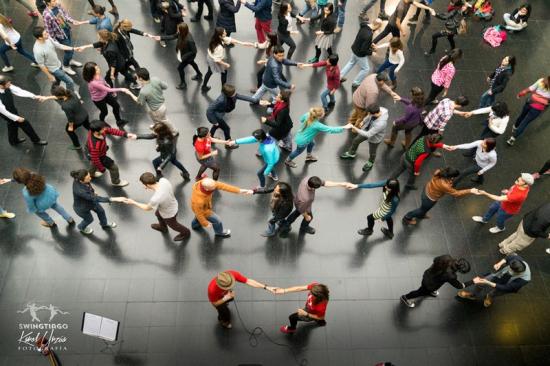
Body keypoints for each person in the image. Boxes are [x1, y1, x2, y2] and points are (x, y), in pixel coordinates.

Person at [123, 172, 191, 241]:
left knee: (173, 225)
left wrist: (133, 202)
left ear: (148, 184)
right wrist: (150, 187)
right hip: (171, 204)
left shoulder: (155, 198)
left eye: (143, 184)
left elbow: (146, 208)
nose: (143, 186)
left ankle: (186, 232)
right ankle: (163, 227)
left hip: (169, 213)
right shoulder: (163, 180)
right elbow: (160, 189)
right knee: (158, 214)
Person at [403, 167, 478, 225]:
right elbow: (456, 193)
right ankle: (407, 217)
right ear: (451, 176)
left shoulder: (440, 171)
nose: (453, 178)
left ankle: (421, 214)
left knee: (424, 209)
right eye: (454, 177)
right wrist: (470, 190)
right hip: (429, 199)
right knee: (421, 209)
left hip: (427, 189)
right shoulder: (445, 185)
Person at [279, 176, 353, 235]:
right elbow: (301, 209)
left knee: (296, 213)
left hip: (298, 200)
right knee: (309, 217)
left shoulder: (308, 178)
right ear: (313, 188)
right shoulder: (307, 198)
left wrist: (341, 184)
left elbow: (325, 183)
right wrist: (306, 216)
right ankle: (303, 227)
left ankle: (286, 224)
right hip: (303, 205)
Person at [285, 107, 351, 168]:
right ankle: (288, 161)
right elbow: (330, 129)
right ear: (319, 116)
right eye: (323, 113)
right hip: (303, 141)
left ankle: (309, 156)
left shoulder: (308, 114)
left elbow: (301, 120)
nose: (324, 113)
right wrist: (344, 127)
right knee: (298, 151)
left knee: (312, 143)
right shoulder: (317, 125)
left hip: (302, 136)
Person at [458, 254, 530, 308]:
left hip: (507, 284)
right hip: (498, 276)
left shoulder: (523, 280)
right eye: (510, 267)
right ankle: (473, 295)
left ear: (518, 273)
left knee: (496, 292)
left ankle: (489, 297)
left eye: (511, 270)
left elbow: (505, 287)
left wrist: (488, 283)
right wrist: (499, 263)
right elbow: (508, 257)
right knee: (480, 283)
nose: (509, 270)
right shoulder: (517, 260)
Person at [208, 270, 274, 328]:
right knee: (224, 312)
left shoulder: (232, 274)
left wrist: (266, 287)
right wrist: (225, 298)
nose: (230, 287)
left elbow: (249, 281)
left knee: (231, 298)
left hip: (226, 296)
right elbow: (215, 304)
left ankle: (226, 302)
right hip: (218, 300)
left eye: (230, 285)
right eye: (227, 287)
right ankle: (224, 322)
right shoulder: (212, 289)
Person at [401, 256, 471, 308]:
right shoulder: (451, 276)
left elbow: (435, 259)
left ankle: (429, 292)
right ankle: (405, 297)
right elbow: (459, 286)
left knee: (424, 288)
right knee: (420, 292)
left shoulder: (447, 257)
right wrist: (473, 281)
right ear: (460, 271)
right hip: (430, 285)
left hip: (427, 275)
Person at [87, 120, 139, 187]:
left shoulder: (94, 131)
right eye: (103, 129)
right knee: (114, 168)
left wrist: (126, 134)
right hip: (99, 156)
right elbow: (95, 158)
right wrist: (102, 169)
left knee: (93, 163)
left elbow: (111, 130)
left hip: (92, 153)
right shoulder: (94, 145)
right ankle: (116, 182)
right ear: (96, 132)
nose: (105, 129)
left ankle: (91, 174)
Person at [201, 27, 255, 92]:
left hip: (210, 57)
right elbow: (217, 60)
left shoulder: (216, 39)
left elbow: (235, 41)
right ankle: (224, 90)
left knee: (210, 71)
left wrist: (245, 43)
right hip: (215, 60)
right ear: (220, 36)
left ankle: (204, 86)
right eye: (224, 33)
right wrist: (225, 64)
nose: (226, 33)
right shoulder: (219, 47)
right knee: (224, 72)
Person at [0, 75, 48, 147]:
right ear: (1, 85)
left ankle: (13, 140)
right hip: (5, 112)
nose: (10, 85)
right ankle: (36, 140)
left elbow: (19, 91)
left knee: (12, 124)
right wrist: (16, 118)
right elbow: (3, 111)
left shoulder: (7, 85)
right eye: (8, 84)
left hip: (11, 108)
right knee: (24, 123)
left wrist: (34, 96)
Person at [70, 169, 121, 235]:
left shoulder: (80, 178)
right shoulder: (80, 191)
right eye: (88, 178)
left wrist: (92, 191)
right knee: (89, 219)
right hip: (82, 208)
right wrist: (111, 199)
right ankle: (81, 227)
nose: (90, 178)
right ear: (81, 180)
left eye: (89, 176)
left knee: (101, 211)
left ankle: (104, 223)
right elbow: (95, 198)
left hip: (90, 202)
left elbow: (88, 187)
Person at [82, 61, 131, 127]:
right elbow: (108, 89)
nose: (99, 69)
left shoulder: (97, 75)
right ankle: (101, 122)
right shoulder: (94, 83)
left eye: (98, 67)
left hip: (105, 94)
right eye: (96, 69)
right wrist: (122, 89)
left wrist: (109, 87)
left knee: (116, 106)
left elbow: (104, 82)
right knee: (104, 112)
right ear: (92, 72)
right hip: (98, 100)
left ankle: (119, 121)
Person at [340, 104, 388, 172]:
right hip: (367, 130)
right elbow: (369, 116)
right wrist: (363, 121)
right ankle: (352, 153)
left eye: (370, 114)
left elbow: (368, 134)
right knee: (356, 140)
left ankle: (370, 162)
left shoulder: (381, 124)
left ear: (375, 113)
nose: (369, 114)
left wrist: (354, 127)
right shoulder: (377, 109)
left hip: (375, 138)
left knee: (372, 152)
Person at [42, 0, 86, 75]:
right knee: (69, 51)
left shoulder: (58, 5)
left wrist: (72, 21)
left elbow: (65, 15)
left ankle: (70, 60)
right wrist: (54, 41)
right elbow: (49, 29)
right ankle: (65, 66)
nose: (56, 1)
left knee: (70, 47)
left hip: (67, 30)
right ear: (48, 3)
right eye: (53, 0)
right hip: (60, 36)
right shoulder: (47, 15)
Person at [127, 68, 177, 132]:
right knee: (156, 118)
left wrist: (129, 93)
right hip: (161, 105)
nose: (135, 77)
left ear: (141, 78)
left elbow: (139, 101)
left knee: (164, 120)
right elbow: (165, 86)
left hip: (156, 110)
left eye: (137, 76)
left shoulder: (143, 91)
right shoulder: (155, 79)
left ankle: (174, 131)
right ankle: (156, 125)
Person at [506, 76, 550, 147]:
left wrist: (520, 94)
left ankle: (515, 127)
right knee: (525, 122)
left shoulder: (541, 81)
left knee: (522, 115)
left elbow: (530, 89)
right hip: (538, 108)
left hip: (530, 102)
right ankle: (512, 138)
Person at [32, 26, 79, 92]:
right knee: (70, 82)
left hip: (58, 64)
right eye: (45, 34)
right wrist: (49, 76)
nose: (47, 34)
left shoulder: (48, 38)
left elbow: (59, 46)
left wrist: (73, 48)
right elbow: (41, 65)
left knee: (57, 81)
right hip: (53, 69)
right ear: (40, 38)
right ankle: (70, 95)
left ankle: (55, 90)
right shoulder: (38, 50)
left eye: (46, 32)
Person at [47, 85, 90, 150]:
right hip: (84, 114)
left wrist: (70, 126)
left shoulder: (65, 106)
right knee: (87, 125)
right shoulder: (70, 92)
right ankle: (94, 130)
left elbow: (70, 117)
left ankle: (77, 145)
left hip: (78, 120)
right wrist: (46, 98)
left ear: (58, 96)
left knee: (69, 131)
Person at [339, 19, 373, 88]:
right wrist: (371, 52)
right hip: (360, 54)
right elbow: (364, 50)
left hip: (354, 49)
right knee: (366, 69)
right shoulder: (369, 35)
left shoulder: (364, 26)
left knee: (351, 63)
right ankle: (356, 82)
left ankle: (340, 76)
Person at [173, 23, 201, 90]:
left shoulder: (189, 40)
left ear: (182, 30)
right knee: (192, 63)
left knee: (180, 68)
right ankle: (199, 74)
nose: (177, 30)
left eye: (178, 29)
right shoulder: (182, 34)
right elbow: (172, 36)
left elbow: (194, 51)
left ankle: (183, 83)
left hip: (188, 57)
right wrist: (161, 38)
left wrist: (184, 57)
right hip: (186, 56)